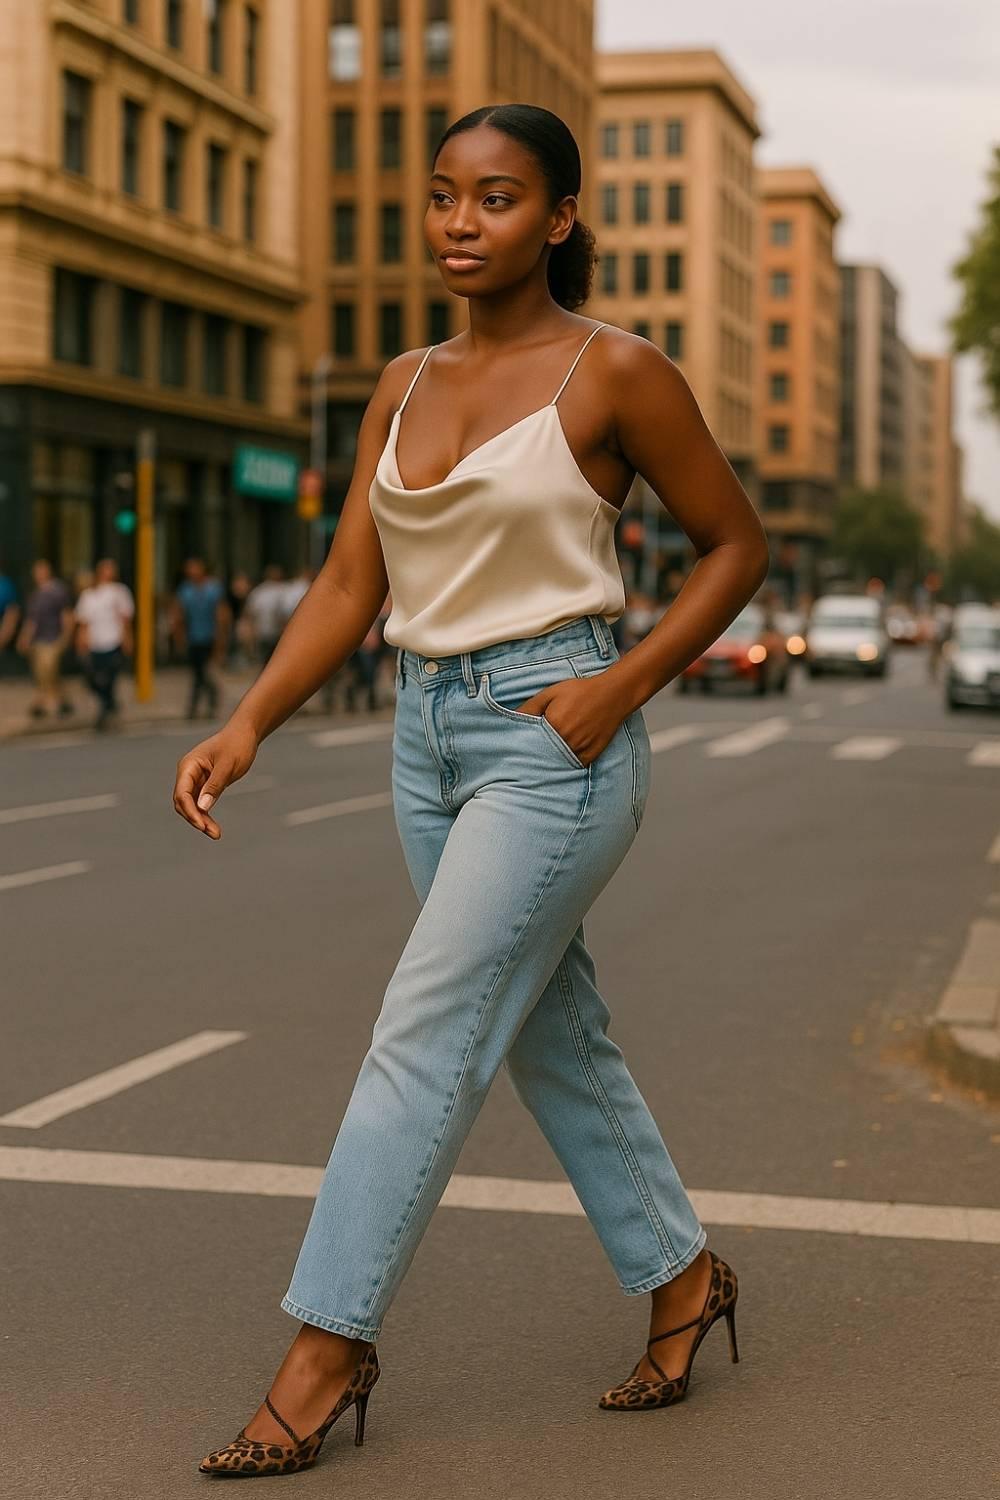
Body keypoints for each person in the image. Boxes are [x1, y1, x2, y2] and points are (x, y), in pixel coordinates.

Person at [175, 104, 765, 1480]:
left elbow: (731, 547)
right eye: (444, 196)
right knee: (549, 1031)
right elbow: (347, 585)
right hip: (426, 741)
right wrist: (250, 719)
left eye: (495, 199)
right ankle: (684, 1279)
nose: (458, 221)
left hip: (554, 735)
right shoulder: (398, 380)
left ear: (557, 218)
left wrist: (619, 687)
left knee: (424, 1031)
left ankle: (327, 1350)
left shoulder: (618, 375)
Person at [74, 558, 134, 731]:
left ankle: (104, 712)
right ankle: (109, 704)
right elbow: (83, 621)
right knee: (92, 679)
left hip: (113, 641)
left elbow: (125, 619)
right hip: (95, 643)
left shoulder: (120, 592)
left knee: (110, 679)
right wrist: (81, 641)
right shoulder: (88, 595)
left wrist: (127, 639)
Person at [171, 557, 230, 720]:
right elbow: (179, 614)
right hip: (193, 638)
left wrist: (221, 639)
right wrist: (179, 637)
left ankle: (198, 705)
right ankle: (204, 702)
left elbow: (221, 614)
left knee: (203, 672)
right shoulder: (185, 590)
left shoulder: (213, 589)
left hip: (209, 637)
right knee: (197, 673)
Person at [16, 559, 75, 718]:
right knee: (42, 673)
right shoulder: (35, 594)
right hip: (38, 639)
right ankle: (60, 702)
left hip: (53, 637)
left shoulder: (58, 591)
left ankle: (46, 703)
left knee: (48, 670)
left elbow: (66, 614)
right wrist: (25, 637)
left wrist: (66, 636)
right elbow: (32, 620)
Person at [244, 563, 289, 665]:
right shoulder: (262, 591)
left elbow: (250, 613)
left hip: (272, 632)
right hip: (269, 632)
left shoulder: (259, 591)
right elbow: (250, 614)